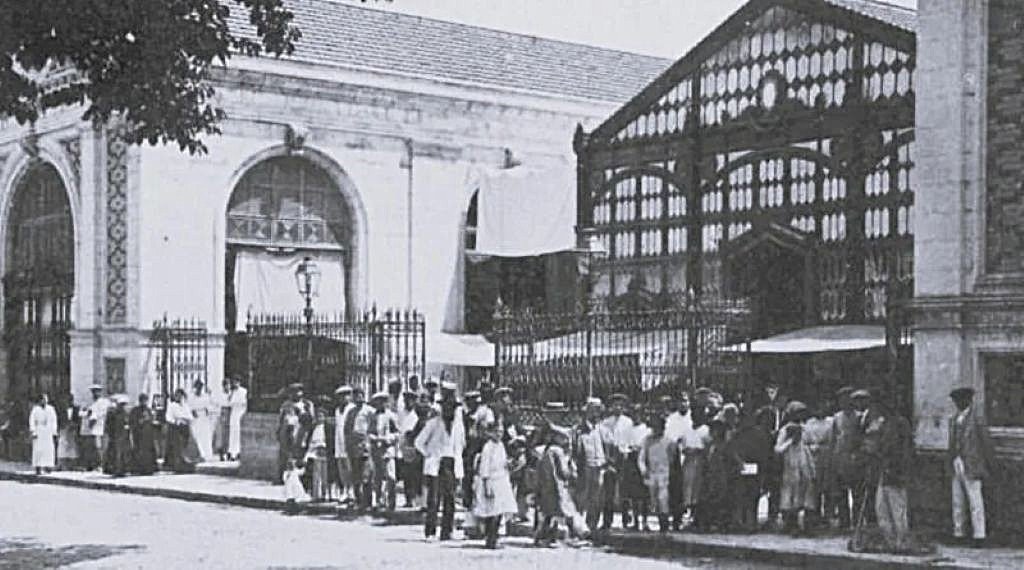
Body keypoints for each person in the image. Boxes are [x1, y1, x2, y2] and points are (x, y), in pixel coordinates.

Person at [414, 385, 465, 541]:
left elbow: (461, 444)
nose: (449, 410)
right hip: (436, 462)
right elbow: (419, 442)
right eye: (447, 407)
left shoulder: (458, 425)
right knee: (433, 499)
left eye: (452, 407)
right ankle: (430, 531)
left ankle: (447, 531)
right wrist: (430, 454)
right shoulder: (434, 423)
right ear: (442, 407)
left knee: (450, 499)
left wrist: (458, 464)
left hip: (451, 463)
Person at [948, 387, 995, 548]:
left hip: (973, 464)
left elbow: (986, 443)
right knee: (958, 500)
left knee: (975, 501)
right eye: (956, 401)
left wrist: (988, 464)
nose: (958, 403)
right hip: (957, 462)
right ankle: (958, 533)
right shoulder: (954, 419)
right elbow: (952, 444)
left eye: (961, 400)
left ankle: (979, 535)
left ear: (968, 400)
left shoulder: (977, 419)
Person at [870, 400, 914, 553]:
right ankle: (889, 541)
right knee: (881, 509)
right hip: (884, 472)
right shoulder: (884, 425)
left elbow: (906, 450)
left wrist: (901, 471)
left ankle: (901, 543)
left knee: (897, 510)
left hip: (896, 473)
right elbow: (879, 447)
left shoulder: (901, 424)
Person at [534, 424, 582, 546]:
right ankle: (573, 536)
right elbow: (563, 471)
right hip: (558, 487)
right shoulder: (558, 451)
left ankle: (542, 537)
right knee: (567, 512)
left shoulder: (546, 451)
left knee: (550, 513)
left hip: (548, 487)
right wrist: (571, 472)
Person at [774, 400, 816, 536]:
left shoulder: (805, 429)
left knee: (806, 496)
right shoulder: (785, 430)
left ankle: (807, 526)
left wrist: (812, 467)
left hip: (804, 465)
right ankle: (792, 525)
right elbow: (778, 449)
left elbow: (810, 446)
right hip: (790, 466)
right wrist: (791, 440)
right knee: (791, 496)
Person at [473, 421, 517, 549]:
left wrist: (508, 464)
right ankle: (490, 538)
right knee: (492, 511)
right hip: (491, 480)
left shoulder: (501, 446)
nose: (499, 435)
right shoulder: (488, 447)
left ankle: (495, 536)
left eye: (501, 432)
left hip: (502, 479)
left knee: (500, 511)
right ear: (490, 432)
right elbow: (485, 466)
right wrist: (487, 485)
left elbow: (501, 461)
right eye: (496, 432)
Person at [829, 386, 864, 529]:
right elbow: (833, 438)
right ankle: (844, 522)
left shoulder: (859, 416)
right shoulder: (836, 418)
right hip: (840, 458)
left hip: (854, 457)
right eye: (842, 400)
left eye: (847, 399)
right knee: (840, 493)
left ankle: (857, 521)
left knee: (857, 493)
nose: (845, 402)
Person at [573, 397, 610, 532]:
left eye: (598, 410)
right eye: (593, 410)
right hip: (584, 467)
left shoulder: (602, 429)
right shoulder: (578, 430)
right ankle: (579, 528)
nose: (596, 413)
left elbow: (608, 446)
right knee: (581, 498)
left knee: (597, 499)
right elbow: (574, 450)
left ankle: (592, 526)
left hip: (599, 467)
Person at [600, 393, 635, 529]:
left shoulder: (628, 422)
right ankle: (607, 521)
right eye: (615, 405)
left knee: (624, 490)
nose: (618, 407)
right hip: (611, 457)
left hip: (624, 456)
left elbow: (630, 441)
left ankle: (626, 520)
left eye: (621, 405)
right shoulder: (606, 423)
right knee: (609, 490)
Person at [702, 419, 742, 532]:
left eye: (715, 430)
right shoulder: (709, 445)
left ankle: (723, 524)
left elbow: (736, 461)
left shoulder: (726, 446)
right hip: (711, 477)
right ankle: (711, 523)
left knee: (722, 500)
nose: (712, 432)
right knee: (710, 499)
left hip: (722, 477)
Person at [638, 414, 676, 533]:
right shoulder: (647, 440)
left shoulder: (669, 441)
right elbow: (641, 458)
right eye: (654, 427)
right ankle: (644, 523)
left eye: (659, 427)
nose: (656, 429)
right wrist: (643, 470)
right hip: (651, 474)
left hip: (664, 474)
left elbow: (672, 459)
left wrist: (670, 474)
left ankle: (664, 527)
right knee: (650, 499)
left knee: (663, 500)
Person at [802, 403, 835, 530]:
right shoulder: (809, 424)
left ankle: (826, 516)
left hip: (826, 456)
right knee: (813, 488)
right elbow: (805, 441)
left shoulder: (831, 422)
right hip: (812, 456)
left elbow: (833, 439)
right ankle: (814, 515)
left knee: (827, 488)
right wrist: (811, 447)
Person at [679, 401, 710, 530]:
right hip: (688, 462)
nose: (695, 416)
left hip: (700, 462)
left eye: (699, 413)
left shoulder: (706, 430)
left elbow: (708, 448)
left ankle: (697, 518)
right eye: (694, 413)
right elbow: (682, 446)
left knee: (698, 489)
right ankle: (688, 515)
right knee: (688, 490)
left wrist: (699, 451)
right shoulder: (687, 430)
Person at [367, 391, 400, 510]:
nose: (380, 404)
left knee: (391, 476)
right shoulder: (373, 416)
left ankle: (391, 502)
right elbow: (369, 432)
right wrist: (373, 438)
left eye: (383, 401)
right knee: (377, 477)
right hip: (376, 450)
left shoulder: (391, 416)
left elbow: (397, 433)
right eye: (378, 402)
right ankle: (379, 501)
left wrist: (388, 439)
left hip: (388, 450)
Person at [621, 405, 651, 531]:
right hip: (631, 461)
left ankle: (645, 522)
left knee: (644, 495)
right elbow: (622, 445)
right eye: (634, 414)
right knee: (633, 494)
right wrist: (629, 449)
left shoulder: (647, 430)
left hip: (644, 461)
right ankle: (636, 521)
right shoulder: (627, 430)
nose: (636, 416)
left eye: (639, 414)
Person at [664, 393, 691, 530]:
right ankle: (676, 518)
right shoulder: (672, 419)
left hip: (690, 456)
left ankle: (690, 517)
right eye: (680, 401)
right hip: (675, 457)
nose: (683, 404)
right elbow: (669, 438)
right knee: (676, 488)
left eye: (685, 401)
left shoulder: (692, 417)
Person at [397, 390, 421, 508]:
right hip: (402, 447)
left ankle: (414, 498)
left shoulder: (417, 414)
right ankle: (408, 499)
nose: (409, 403)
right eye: (407, 401)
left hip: (414, 447)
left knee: (414, 475)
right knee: (406, 475)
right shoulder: (401, 413)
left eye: (411, 401)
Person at [78, 384, 110, 471]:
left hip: (99, 427)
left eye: (97, 391)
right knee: (89, 447)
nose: (95, 393)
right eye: (93, 391)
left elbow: (102, 414)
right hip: (87, 428)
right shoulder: (88, 402)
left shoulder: (104, 402)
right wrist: (87, 414)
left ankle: (100, 465)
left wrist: (93, 416)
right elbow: (81, 413)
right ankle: (90, 465)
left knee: (98, 447)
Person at [164, 388, 195, 473]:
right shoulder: (172, 405)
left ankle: (187, 464)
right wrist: (176, 421)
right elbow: (168, 417)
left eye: (181, 396)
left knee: (186, 445)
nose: (179, 397)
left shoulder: (185, 406)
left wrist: (186, 420)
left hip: (184, 427)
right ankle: (177, 465)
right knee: (177, 447)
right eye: (177, 396)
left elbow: (190, 416)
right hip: (176, 428)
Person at [305, 407, 330, 502]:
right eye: (318, 416)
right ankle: (315, 494)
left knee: (325, 475)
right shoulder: (314, 428)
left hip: (324, 452)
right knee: (316, 475)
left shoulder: (327, 428)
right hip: (315, 453)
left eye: (321, 416)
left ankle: (324, 494)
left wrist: (324, 447)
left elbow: (329, 440)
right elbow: (310, 440)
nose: (319, 418)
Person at [29, 393, 59, 475]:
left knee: (48, 449)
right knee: (38, 449)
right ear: (40, 400)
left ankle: (48, 466)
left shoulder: (51, 409)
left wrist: (54, 431)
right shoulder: (35, 409)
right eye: (43, 399)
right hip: (39, 430)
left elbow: (54, 421)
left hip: (48, 431)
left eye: (46, 399)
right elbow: (32, 421)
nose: (45, 401)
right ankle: (38, 467)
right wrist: (33, 431)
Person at [103, 395, 132, 477]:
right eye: (121, 404)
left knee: (123, 452)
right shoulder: (113, 413)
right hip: (116, 435)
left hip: (123, 435)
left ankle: (123, 469)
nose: (123, 406)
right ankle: (116, 469)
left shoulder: (124, 413)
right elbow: (109, 425)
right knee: (116, 453)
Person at [129, 394, 159, 475]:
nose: (144, 402)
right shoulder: (135, 410)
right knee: (139, 451)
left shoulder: (148, 410)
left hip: (148, 434)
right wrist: (140, 421)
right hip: (139, 434)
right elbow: (132, 422)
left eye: (145, 400)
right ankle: (139, 469)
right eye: (143, 400)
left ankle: (149, 468)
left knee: (149, 451)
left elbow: (151, 419)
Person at [189, 380, 215, 462]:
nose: (199, 389)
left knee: (206, 436)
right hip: (196, 418)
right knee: (197, 436)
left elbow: (210, 406)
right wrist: (192, 412)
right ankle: (201, 454)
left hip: (204, 417)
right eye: (197, 387)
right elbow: (189, 407)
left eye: (200, 387)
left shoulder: (205, 397)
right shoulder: (191, 397)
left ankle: (207, 455)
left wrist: (208, 412)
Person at [54, 391, 79, 471]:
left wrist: (74, 425)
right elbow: (58, 419)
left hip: (72, 430)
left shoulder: (76, 409)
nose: (69, 401)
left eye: (70, 399)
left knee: (72, 447)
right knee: (62, 445)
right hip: (63, 429)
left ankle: (72, 465)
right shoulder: (61, 409)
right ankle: (61, 464)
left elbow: (77, 420)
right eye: (67, 399)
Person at [225, 377, 248, 461]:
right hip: (234, 413)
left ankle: (238, 452)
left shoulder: (244, 391)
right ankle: (231, 452)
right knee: (232, 433)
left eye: (236, 382)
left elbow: (245, 403)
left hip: (240, 412)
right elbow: (229, 402)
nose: (235, 384)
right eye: (234, 382)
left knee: (238, 433)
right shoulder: (232, 392)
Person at [211, 380, 230, 461]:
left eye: (228, 385)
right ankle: (221, 453)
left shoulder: (231, 394)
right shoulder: (220, 395)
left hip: (230, 414)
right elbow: (216, 404)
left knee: (229, 434)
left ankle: (229, 452)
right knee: (221, 435)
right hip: (222, 414)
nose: (227, 387)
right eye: (225, 385)